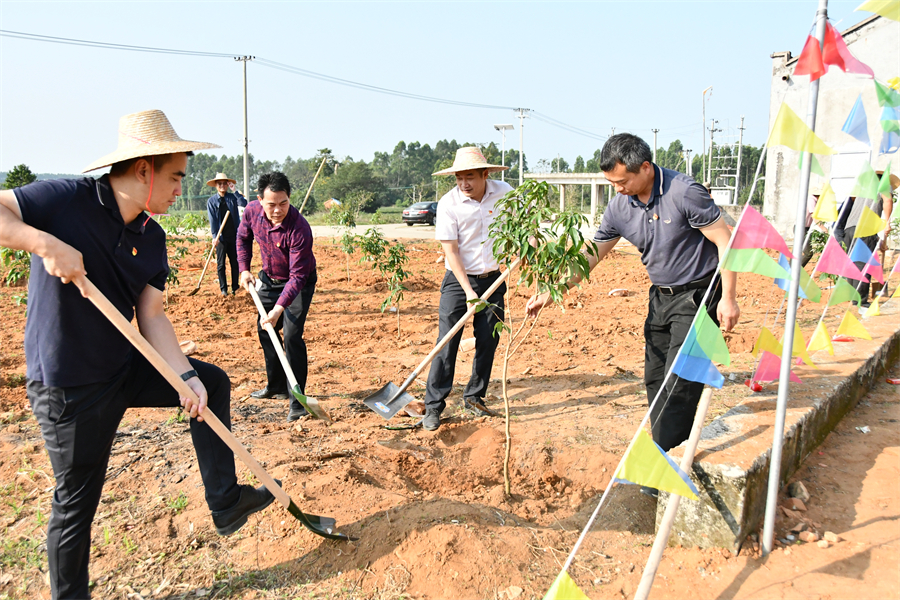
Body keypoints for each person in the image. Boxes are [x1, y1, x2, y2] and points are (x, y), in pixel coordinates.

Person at [0, 110, 277, 600]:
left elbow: (151, 315)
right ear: (144, 170)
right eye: (174, 177)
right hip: (70, 384)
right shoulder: (66, 200)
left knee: (209, 384)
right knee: (77, 503)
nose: (179, 189)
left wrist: (184, 376)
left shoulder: (152, 237)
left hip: (121, 366)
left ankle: (226, 501)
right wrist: (41, 242)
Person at [526, 134, 740, 496]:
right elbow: (592, 255)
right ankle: (671, 451)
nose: (618, 189)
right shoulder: (620, 207)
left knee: (680, 380)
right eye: (612, 183)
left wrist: (729, 298)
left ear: (645, 167)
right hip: (661, 296)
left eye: (622, 181)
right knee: (655, 378)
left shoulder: (684, 192)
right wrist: (554, 290)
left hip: (701, 293)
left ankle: (664, 465)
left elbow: (726, 240)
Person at [422, 147, 513, 432]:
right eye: (459, 178)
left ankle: (475, 397)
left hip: (493, 278)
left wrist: (530, 244)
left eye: (470, 176)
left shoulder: (505, 192)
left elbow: (524, 224)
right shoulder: (449, 204)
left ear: (485, 174)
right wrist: (468, 291)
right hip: (458, 280)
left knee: (488, 340)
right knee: (447, 341)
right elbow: (450, 251)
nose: (464, 184)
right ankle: (434, 405)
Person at [237, 172, 317, 422]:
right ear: (260, 200)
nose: (277, 210)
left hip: (298, 284)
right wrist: (244, 269)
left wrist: (279, 308)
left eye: (283, 203)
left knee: (292, 336)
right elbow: (242, 238)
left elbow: (297, 277)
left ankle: (298, 399)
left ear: (289, 199)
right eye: (271, 204)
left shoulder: (299, 227)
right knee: (264, 330)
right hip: (269, 278)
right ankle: (277, 386)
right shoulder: (251, 212)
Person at [838, 170, 896, 306]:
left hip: (850, 228)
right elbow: (887, 200)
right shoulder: (883, 185)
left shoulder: (864, 191)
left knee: (854, 263)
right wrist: (887, 222)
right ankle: (861, 301)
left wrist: (879, 240)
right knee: (863, 264)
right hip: (865, 228)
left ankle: (854, 297)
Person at [206, 172, 247, 296]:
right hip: (221, 237)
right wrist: (215, 236)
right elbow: (213, 219)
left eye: (225, 183)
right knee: (221, 264)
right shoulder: (212, 201)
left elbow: (243, 203)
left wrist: (235, 190)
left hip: (234, 236)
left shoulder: (232, 198)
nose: (222, 186)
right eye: (220, 184)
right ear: (216, 185)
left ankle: (235, 287)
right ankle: (223, 289)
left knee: (235, 262)